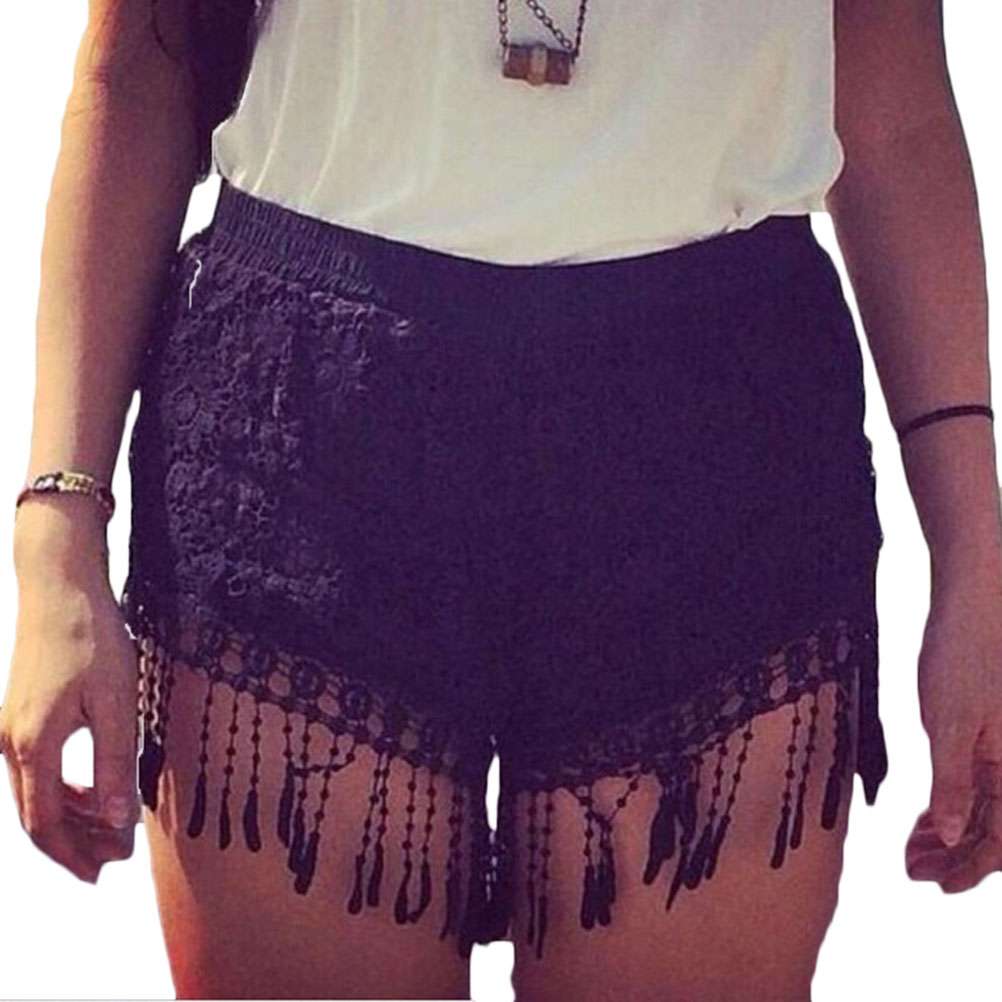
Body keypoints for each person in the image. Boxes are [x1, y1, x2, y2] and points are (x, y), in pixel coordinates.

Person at [2, 1, 1000, 999]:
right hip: (310, 439)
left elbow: (894, 117)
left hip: (716, 441)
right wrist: (55, 541)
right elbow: (141, 65)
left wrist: (976, 564)